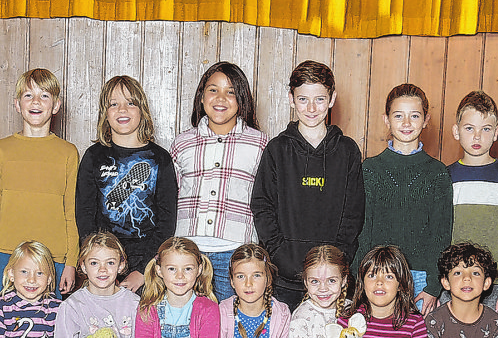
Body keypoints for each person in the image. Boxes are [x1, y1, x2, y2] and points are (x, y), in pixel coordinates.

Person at [251, 60, 364, 308]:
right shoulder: (277, 149)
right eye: (303, 99)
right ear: (291, 99)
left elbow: (353, 214)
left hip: (332, 281)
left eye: (320, 99)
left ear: (332, 98)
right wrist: (281, 255)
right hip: (285, 278)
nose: (311, 108)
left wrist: (337, 261)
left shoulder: (347, 151)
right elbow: (262, 206)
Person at [171, 62, 267, 302]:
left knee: (229, 325)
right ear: (202, 96)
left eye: (231, 91)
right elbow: (169, 198)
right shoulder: (182, 144)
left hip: (236, 255)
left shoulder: (260, 144)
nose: (221, 98)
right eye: (213, 90)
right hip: (188, 254)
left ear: (241, 99)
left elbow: (267, 201)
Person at [0, 69, 79, 297]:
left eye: (44, 96)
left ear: (55, 106)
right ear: (17, 104)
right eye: (28, 96)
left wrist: (71, 262)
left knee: (48, 327)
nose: (36, 102)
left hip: (53, 258)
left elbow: (71, 213)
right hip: (6, 256)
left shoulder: (68, 153)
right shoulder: (0, 150)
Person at [355, 83, 452, 315]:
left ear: (426, 119)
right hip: (377, 274)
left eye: (414, 116)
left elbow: (441, 233)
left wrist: (433, 286)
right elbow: (363, 229)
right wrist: (359, 277)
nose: (406, 123)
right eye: (398, 115)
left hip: (420, 278)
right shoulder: (370, 169)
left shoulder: (437, 172)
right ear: (386, 119)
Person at [75, 76, 178, 292]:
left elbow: (166, 222)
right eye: (114, 104)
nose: (122, 109)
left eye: (131, 103)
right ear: (105, 112)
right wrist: (98, 263)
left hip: (147, 264)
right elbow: (84, 215)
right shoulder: (94, 157)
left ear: (142, 110)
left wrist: (142, 271)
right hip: (103, 262)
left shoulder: (160, 158)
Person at [447, 91, 498, 317]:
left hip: (497, 284)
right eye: (469, 128)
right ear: (456, 131)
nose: (477, 137)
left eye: (486, 129)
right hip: (453, 281)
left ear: (496, 133)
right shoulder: (446, 177)